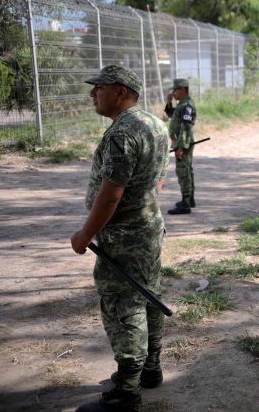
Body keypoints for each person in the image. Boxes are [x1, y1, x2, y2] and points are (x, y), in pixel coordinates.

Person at [71, 65, 170, 412]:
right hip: (148, 227)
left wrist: (86, 233)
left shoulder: (122, 133)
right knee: (149, 294)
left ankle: (126, 392)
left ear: (121, 92)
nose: (92, 94)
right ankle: (150, 369)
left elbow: (111, 195)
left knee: (123, 305)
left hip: (122, 235)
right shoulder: (156, 125)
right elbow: (158, 179)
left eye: (99, 88)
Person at [164, 78, 196, 215]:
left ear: (183, 89)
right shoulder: (182, 104)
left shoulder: (187, 105)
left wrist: (180, 147)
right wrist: (169, 101)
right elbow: (172, 114)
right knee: (187, 170)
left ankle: (185, 204)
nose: (173, 92)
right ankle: (190, 199)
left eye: (175, 90)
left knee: (183, 171)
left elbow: (186, 127)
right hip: (181, 142)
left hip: (183, 143)